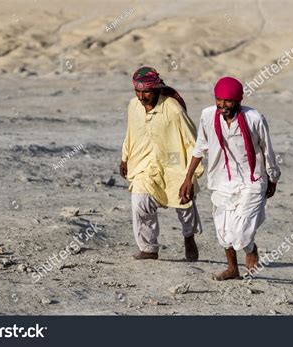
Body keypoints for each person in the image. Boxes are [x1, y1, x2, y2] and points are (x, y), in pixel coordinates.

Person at [179, 76, 281, 280]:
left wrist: (273, 178)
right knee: (224, 231)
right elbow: (200, 147)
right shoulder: (208, 115)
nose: (222, 105)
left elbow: (267, 150)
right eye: (218, 99)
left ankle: (250, 248)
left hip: (252, 180)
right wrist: (188, 178)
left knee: (241, 233)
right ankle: (232, 269)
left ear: (239, 100)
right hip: (221, 180)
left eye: (228, 101)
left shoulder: (254, 118)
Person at [120, 66, 204, 261]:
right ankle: (149, 248)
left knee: (184, 203)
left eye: (146, 91)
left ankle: (189, 237)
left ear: (157, 89)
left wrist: (190, 177)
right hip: (143, 164)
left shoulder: (173, 109)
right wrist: (124, 157)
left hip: (174, 164)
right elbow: (130, 133)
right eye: (137, 91)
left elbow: (193, 143)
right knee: (140, 202)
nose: (141, 96)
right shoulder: (133, 105)